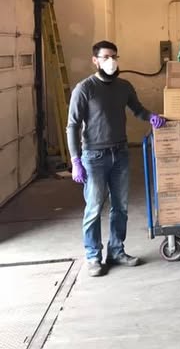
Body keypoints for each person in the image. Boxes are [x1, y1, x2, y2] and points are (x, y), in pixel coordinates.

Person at [67, 41, 166, 277]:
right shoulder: (85, 88)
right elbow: (72, 125)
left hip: (120, 153)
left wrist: (152, 117)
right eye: (105, 57)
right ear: (95, 60)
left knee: (120, 207)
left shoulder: (124, 86)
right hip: (94, 156)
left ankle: (116, 250)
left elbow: (137, 109)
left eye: (114, 56)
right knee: (94, 208)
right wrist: (75, 160)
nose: (111, 61)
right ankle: (93, 256)